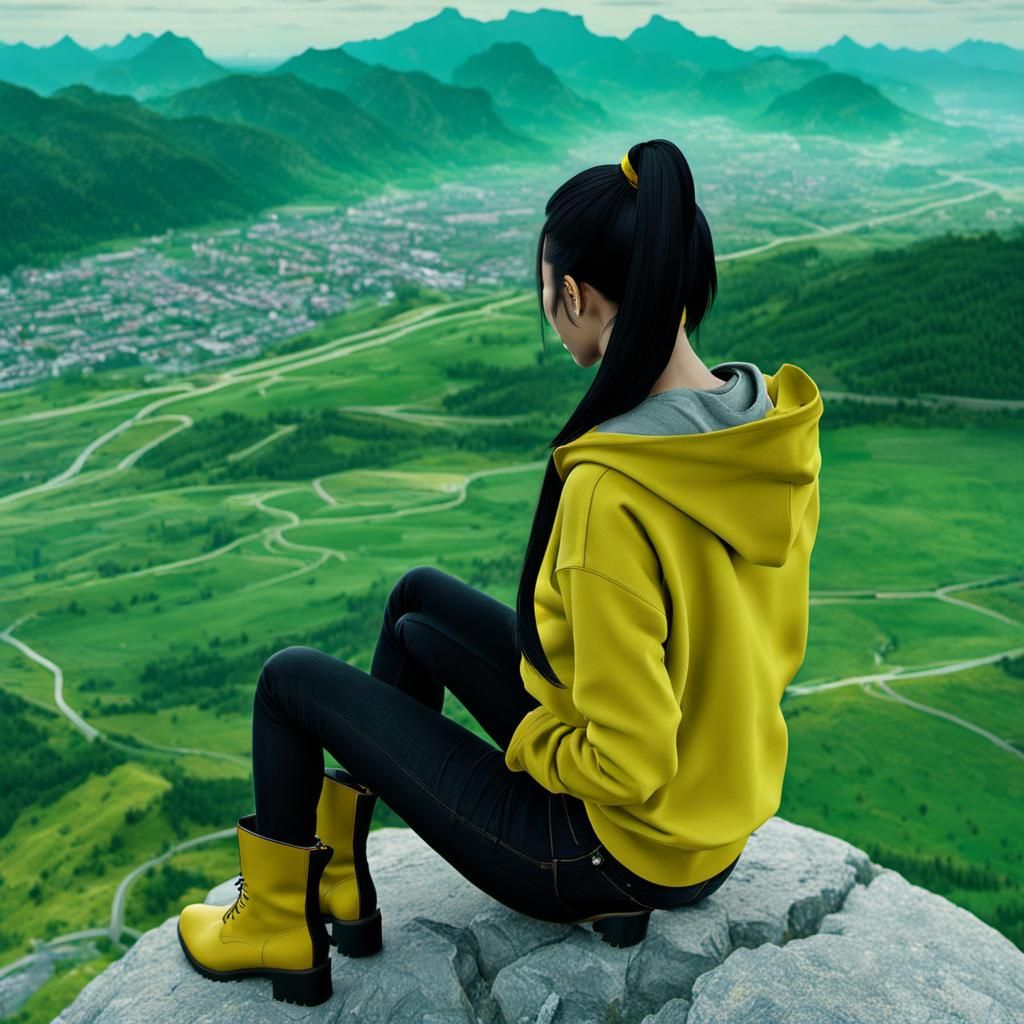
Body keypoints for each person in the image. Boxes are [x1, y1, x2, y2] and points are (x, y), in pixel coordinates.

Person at [177, 138, 824, 1007]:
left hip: (611, 847)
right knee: (416, 604)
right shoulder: (760, 427)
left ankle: (274, 923)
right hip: (709, 833)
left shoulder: (615, 488)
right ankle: (333, 880)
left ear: (575, 296)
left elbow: (629, 761)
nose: (549, 310)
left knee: (288, 682)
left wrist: (528, 744)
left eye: (547, 292)